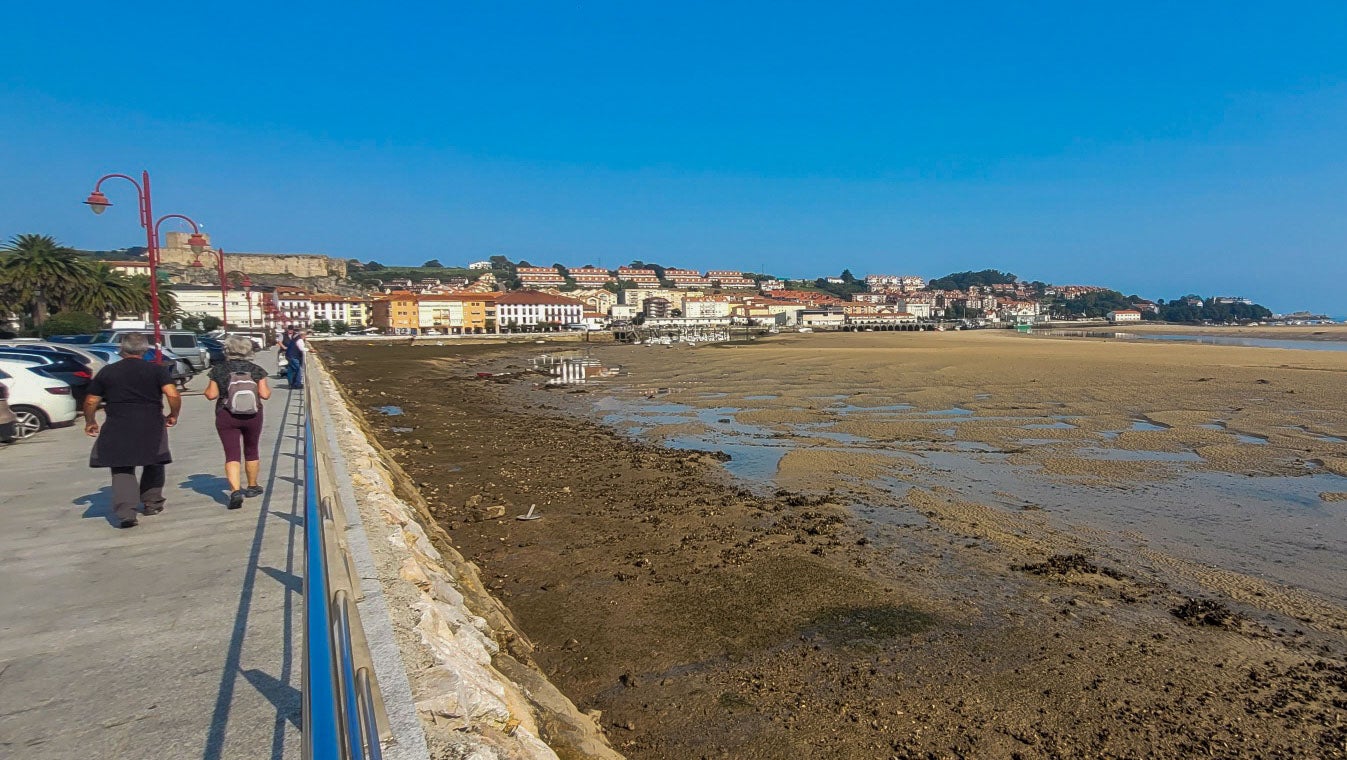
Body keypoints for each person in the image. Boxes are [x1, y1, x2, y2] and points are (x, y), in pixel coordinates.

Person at [84, 333, 181, 528]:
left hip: (118, 422)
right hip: (151, 421)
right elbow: (172, 393)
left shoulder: (108, 372)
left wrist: (90, 421)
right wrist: (173, 414)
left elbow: (91, 400)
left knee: (121, 466)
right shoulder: (157, 370)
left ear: (121, 349)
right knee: (154, 460)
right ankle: (152, 502)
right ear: (145, 349)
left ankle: (126, 513)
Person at [204, 335, 272, 509]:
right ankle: (252, 486)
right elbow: (265, 395)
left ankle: (235, 491)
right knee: (251, 449)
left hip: (226, 415)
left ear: (227, 350)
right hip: (253, 415)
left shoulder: (218, 370)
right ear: (248, 350)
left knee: (231, 454)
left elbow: (211, 395)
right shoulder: (256, 370)